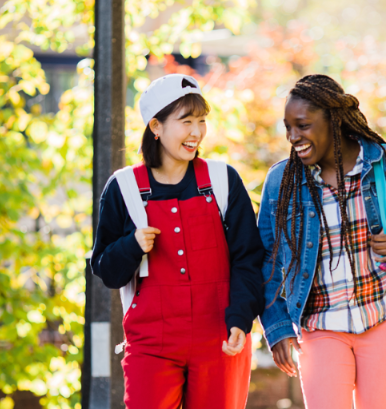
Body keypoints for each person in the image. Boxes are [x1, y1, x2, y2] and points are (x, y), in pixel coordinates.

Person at [258, 74, 386, 409]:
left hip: (384, 320)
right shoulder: (283, 181)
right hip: (320, 328)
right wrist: (276, 328)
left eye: (302, 125)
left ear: (333, 120)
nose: (293, 137)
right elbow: (266, 259)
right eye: (288, 127)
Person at [90, 74, 264, 409]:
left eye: (201, 121)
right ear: (156, 126)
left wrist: (240, 318)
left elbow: (249, 258)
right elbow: (107, 271)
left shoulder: (222, 181)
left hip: (220, 338)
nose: (196, 132)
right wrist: (131, 245)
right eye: (186, 121)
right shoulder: (124, 188)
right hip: (151, 344)